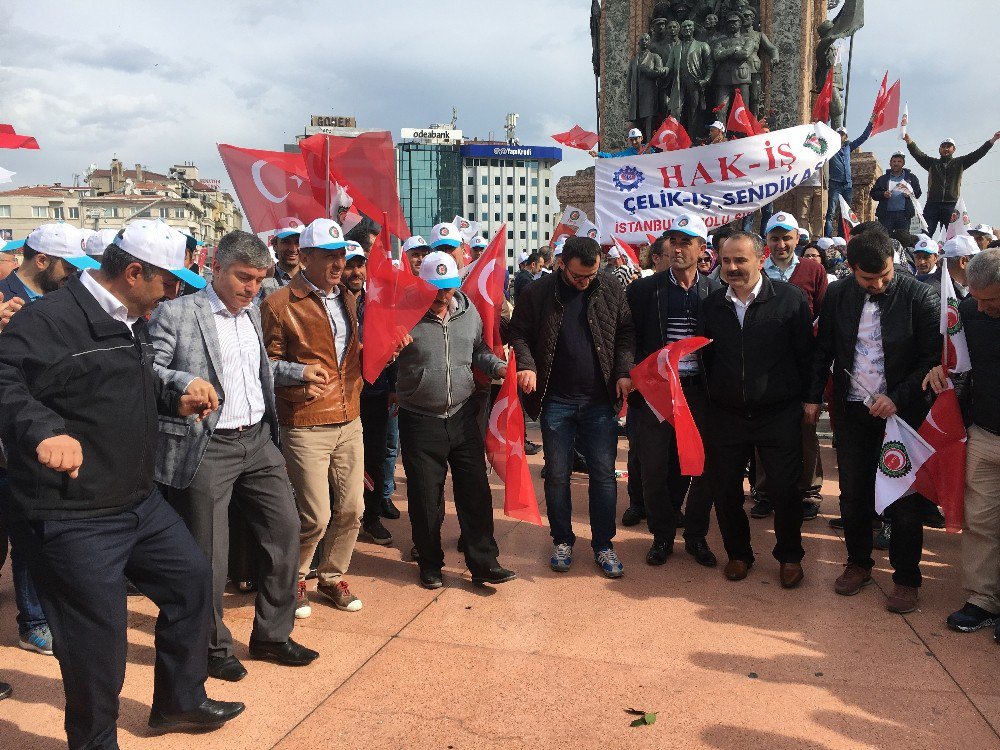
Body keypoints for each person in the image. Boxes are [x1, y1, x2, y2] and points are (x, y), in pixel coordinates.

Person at [0, 219, 244, 748]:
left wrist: (171, 400)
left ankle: (178, 702)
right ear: (134, 272)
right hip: (73, 514)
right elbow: (5, 382)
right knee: (97, 645)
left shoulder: (130, 317)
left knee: (190, 581)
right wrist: (43, 430)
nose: (177, 292)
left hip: (136, 499)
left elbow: (116, 386)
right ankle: (94, 742)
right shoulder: (51, 321)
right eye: (170, 282)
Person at [149, 229, 324, 682]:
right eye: (244, 278)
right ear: (217, 269)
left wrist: (297, 370)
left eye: (259, 278)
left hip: (259, 442)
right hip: (209, 445)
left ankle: (271, 635)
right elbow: (150, 367)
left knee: (285, 531)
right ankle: (212, 646)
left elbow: (256, 368)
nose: (252, 288)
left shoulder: (250, 316)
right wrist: (184, 383)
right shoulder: (178, 313)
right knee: (211, 553)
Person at [806, 226, 940, 613]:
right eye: (869, 278)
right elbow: (824, 349)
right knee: (854, 493)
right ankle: (858, 563)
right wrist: (813, 398)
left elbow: (931, 360)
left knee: (905, 501)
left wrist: (896, 398)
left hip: (903, 417)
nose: (879, 283)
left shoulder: (919, 296)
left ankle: (906, 578)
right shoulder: (837, 295)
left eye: (885, 274)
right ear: (850, 268)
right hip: (852, 412)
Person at [0, 224, 102, 659]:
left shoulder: (65, 301)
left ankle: (35, 619)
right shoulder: (3, 298)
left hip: (41, 436)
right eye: (68, 266)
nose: (73, 276)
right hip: (6, 436)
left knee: (31, 531)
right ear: (42, 261)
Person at [509, 236, 635, 578]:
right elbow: (517, 333)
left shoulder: (609, 287)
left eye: (591, 275)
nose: (585, 282)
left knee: (604, 476)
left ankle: (604, 544)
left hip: (599, 400)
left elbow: (625, 333)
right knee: (558, 474)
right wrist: (527, 364)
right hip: (556, 400)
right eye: (579, 276)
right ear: (562, 263)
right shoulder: (537, 293)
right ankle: (562, 539)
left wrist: (623, 371)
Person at [260, 218, 365, 619]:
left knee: (353, 508)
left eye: (341, 255)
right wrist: (298, 374)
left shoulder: (349, 299)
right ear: (304, 258)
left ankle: (333, 576)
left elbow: (351, 355)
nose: (337, 264)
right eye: (327, 256)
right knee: (315, 515)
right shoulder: (279, 304)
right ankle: (296, 579)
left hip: (348, 415)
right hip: (305, 419)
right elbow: (264, 363)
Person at [699, 232, 814, 587]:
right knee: (726, 489)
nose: (732, 267)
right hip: (727, 414)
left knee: (784, 489)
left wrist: (809, 401)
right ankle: (738, 554)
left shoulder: (790, 300)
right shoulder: (712, 305)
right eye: (726, 261)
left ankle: (790, 556)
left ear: (761, 258)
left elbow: (807, 357)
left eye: (740, 260)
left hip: (778, 413)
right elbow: (706, 360)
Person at [395, 250, 515, 589]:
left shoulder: (468, 311)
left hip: (462, 414)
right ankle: (430, 564)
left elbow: (478, 350)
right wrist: (391, 345)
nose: (440, 296)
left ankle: (484, 563)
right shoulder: (404, 312)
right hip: (420, 417)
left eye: (446, 289)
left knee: (476, 491)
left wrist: (497, 367)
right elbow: (379, 355)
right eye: (433, 289)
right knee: (425, 496)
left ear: (455, 286)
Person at [627, 214, 722, 567]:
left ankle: (696, 536)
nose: (677, 248)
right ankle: (662, 536)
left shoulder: (716, 292)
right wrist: (631, 374)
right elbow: (629, 338)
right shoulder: (643, 289)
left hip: (699, 393)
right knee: (651, 467)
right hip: (656, 392)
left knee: (700, 467)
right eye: (673, 241)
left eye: (686, 242)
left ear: (702, 249)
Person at [924, 249, 1000, 638]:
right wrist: (940, 369)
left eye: (991, 300)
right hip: (985, 433)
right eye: (978, 298)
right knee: (981, 522)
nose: (983, 307)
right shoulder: (969, 312)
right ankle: (983, 599)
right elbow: (956, 359)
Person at [751, 212, 828, 521]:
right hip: (762, 364)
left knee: (805, 428)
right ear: (766, 242)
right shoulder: (757, 269)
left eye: (786, 237)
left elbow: (824, 316)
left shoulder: (813, 270)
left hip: (801, 364)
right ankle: (765, 491)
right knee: (760, 427)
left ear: (797, 238)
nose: (781, 244)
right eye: (774, 238)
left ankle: (808, 491)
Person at [904, 131, 1000, 236]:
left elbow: (977, 154)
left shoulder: (960, 163)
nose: (946, 149)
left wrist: (993, 140)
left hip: (951, 204)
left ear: (954, 149)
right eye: (943, 146)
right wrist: (909, 141)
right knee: (925, 234)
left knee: (951, 237)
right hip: (933, 204)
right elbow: (918, 155)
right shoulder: (932, 163)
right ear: (939, 149)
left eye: (949, 147)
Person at [825, 116, 875, 237]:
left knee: (845, 213)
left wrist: (870, 124)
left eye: (842, 134)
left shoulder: (848, 147)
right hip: (835, 184)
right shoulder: (829, 147)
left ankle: (843, 238)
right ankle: (827, 237)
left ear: (846, 137)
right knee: (830, 212)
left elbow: (863, 138)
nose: (840, 136)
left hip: (847, 185)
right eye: (838, 134)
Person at [870, 152, 923, 233]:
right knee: (885, 239)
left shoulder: (911, 178)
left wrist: (910, 194)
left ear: (903, 163)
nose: (896, 164)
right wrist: (883, 194)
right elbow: (873, 193)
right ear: (890, 163)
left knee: (903, 239)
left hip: (904, 215)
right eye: (894, 161)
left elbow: (918, 193)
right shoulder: (883, 179)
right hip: (886, 215)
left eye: (899, 161)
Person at [271, 222, 302, 287]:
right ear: (275, 246)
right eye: (286, 242)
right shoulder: (263, 281)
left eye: (298, 242)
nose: (293, 249)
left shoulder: (314, 280)